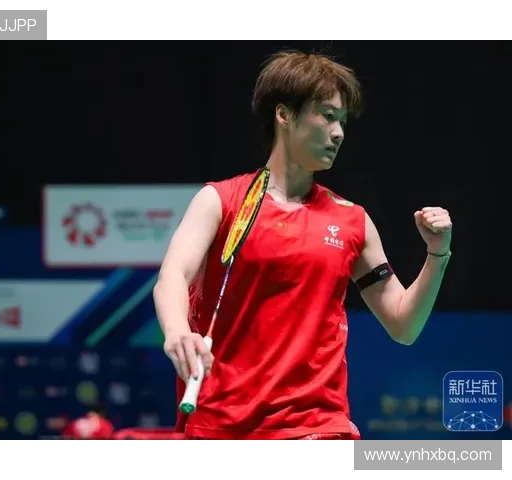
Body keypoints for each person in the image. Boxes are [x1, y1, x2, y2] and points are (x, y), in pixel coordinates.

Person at [153, 50, 453, 440]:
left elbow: (403, 324)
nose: (339, 132)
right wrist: (177, 331)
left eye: (342, 121)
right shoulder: (221, 201)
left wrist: (437, 254)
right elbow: (173, 275)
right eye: (327, 116)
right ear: (284, 114)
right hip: (223, 423)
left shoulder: (352, 220)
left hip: (317, 425)